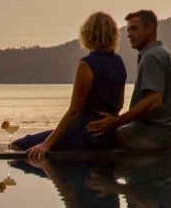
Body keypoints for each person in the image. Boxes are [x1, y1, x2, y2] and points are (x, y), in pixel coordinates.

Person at [14, 12, 127, 159]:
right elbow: (119, 104)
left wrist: (47, 144)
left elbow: (74, 111)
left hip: (86, 135)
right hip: (107, 137)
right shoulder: (119, 62)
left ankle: (55, 173)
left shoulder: (87, 64)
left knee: (19, 145)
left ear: (87, 34)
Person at [89, 10, 171, 150]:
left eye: (134, 29)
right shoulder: (165, 53)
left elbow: (154, 100)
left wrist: (115, 121)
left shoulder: (151, 56)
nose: (129, 34)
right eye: (128, 30)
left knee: (91, 137)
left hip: (152, 135)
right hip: (168, 135)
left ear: (149, 29)